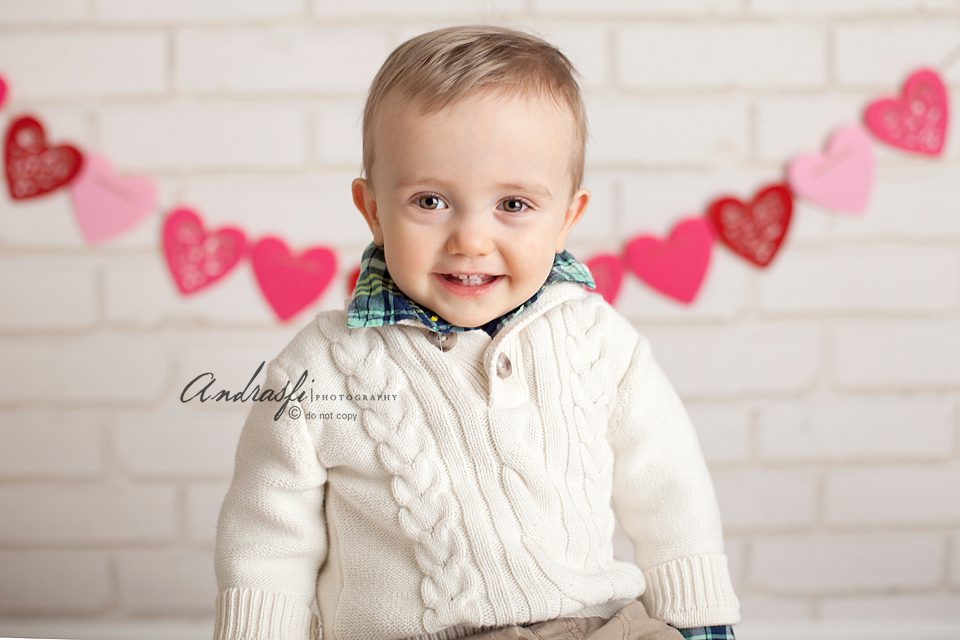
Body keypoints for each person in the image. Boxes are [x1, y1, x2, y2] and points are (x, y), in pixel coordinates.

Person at [213, 24, 741, 640]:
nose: (470, 240)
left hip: (597, 623)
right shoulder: (322, 367)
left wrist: (699, 618)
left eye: (513, 205)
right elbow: (268, 533)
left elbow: (669, 489)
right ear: (374, 211)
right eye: (430, 202)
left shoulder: (598, 340)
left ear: (566, 218)